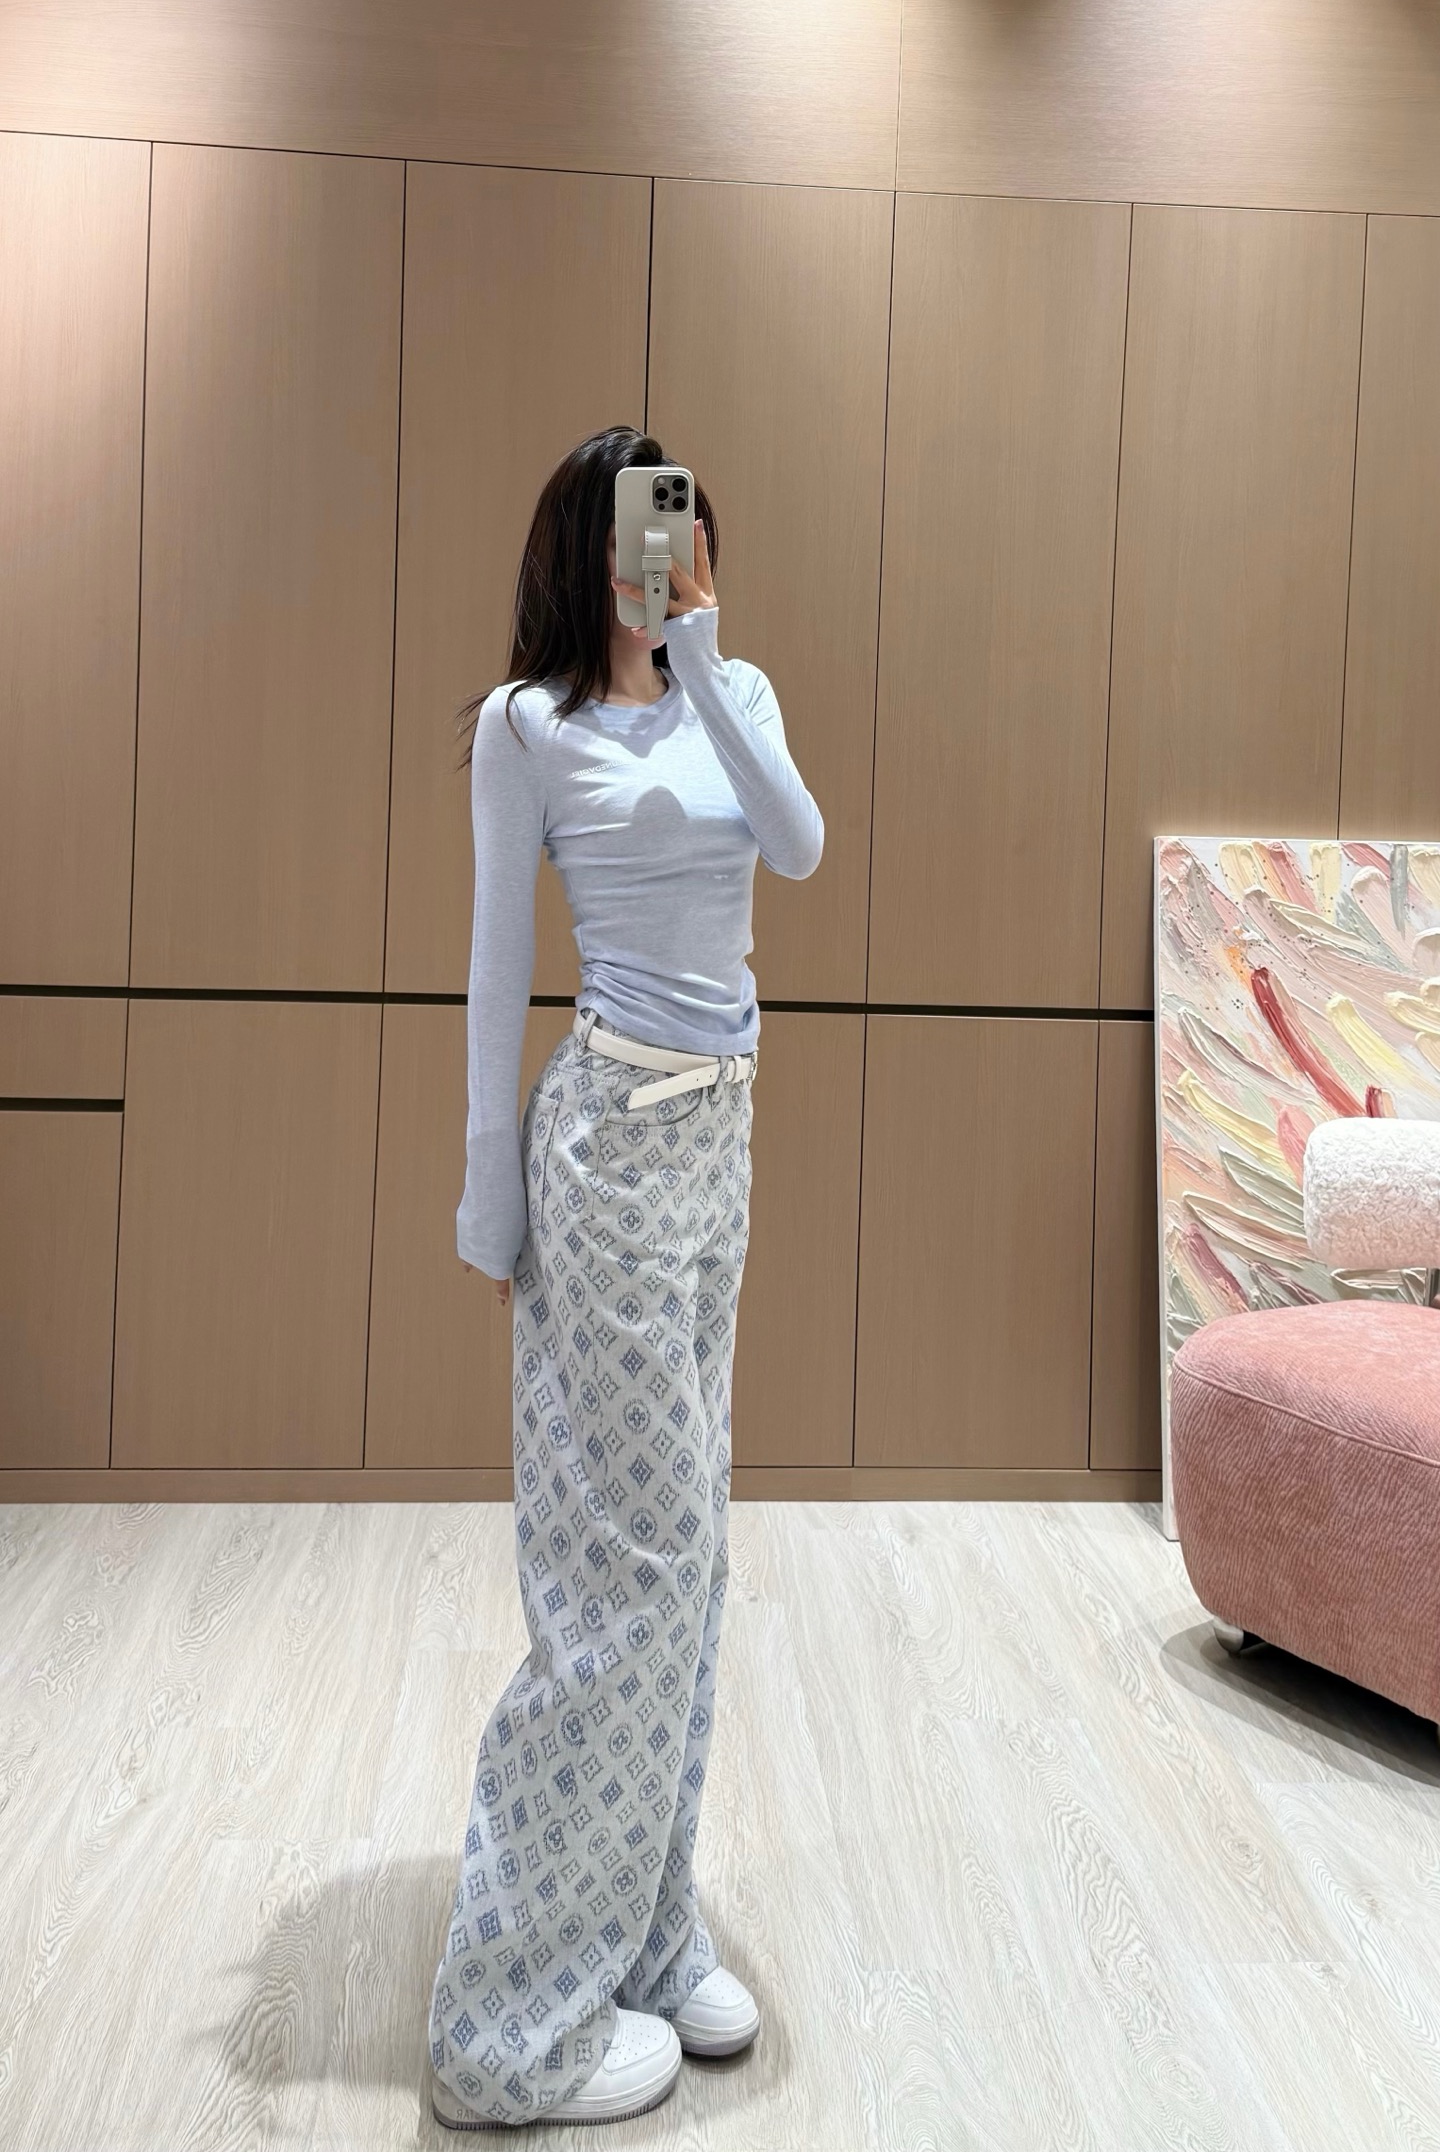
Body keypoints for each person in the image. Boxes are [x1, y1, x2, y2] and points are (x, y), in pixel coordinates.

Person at [427, 426, 825, 2131]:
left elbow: (797, 848)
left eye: (679, 534)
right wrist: (490, 1206)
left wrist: (706, 657)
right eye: (631, 540)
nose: (655, 564)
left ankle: (649, 1932)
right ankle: (507, 2022)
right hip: (602, 1154)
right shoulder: (531, 726)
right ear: (579, 556)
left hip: (720, 1146)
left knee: (692, 1558)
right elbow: (495, 968)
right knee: (628, 1570)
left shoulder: (738, 696)